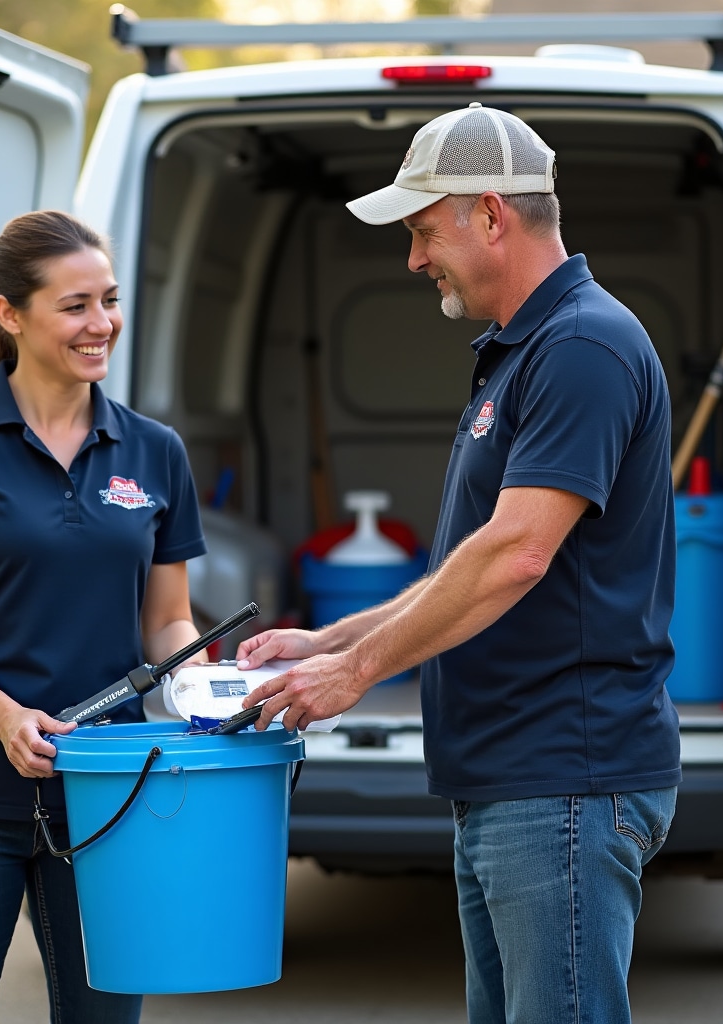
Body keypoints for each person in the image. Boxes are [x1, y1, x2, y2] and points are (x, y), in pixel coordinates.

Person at [238, 102, 681, 1024]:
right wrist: (331, 634)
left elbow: (517, 554)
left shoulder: (584, 347)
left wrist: (355, 672)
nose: (412, 259)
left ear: (490, 214)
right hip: (509, 783)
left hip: (564, 778)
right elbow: (468, 563)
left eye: (422, 230)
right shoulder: (526, 352)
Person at [0, 210, 208, 1023]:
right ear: (9, 314)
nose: (103, 325)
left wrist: (207, 685)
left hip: (110, 801)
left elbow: (167, 621)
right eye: (76, 305)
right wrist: (4, 719)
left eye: (110, 300)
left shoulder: (155, 450)